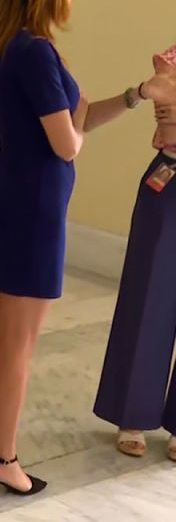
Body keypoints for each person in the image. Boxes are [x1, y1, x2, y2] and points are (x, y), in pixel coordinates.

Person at [0, 0, 152, 496]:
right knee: (17, 342)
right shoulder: (37, 54)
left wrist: (137, 95)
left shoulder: (17, 46)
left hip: (9, 199)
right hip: (33, 210)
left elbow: (83, 114)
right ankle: (5, 457)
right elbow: (67, 143)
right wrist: (74, 133)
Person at [94, 50, 176, 462]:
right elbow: (169, 118)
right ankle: (133, 413)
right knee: (150, 296)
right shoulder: (172, 59)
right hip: (171, 177)